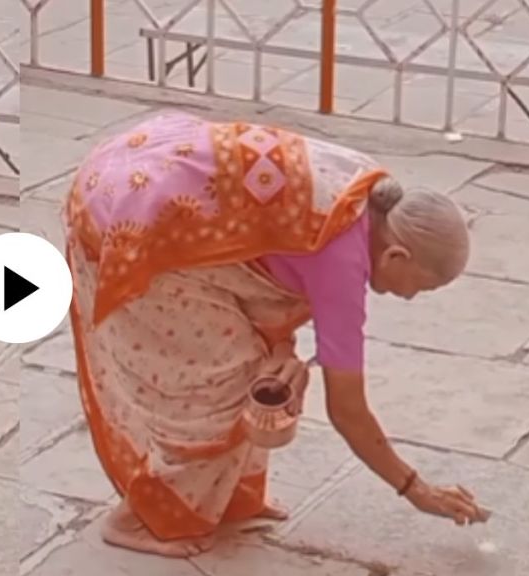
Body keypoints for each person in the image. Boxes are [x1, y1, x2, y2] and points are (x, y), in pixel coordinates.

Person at [62, 112, 486, 558]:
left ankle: (227, 499)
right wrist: (415, 488)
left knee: (265, 371)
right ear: (397, 254)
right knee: (219, 389)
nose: (413, 297)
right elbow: (348, 410)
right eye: (422, 285)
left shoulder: (364, 192)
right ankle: (141, 519)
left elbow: (268, 253)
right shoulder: (342, 260)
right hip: (127, 230)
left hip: (139, 174)